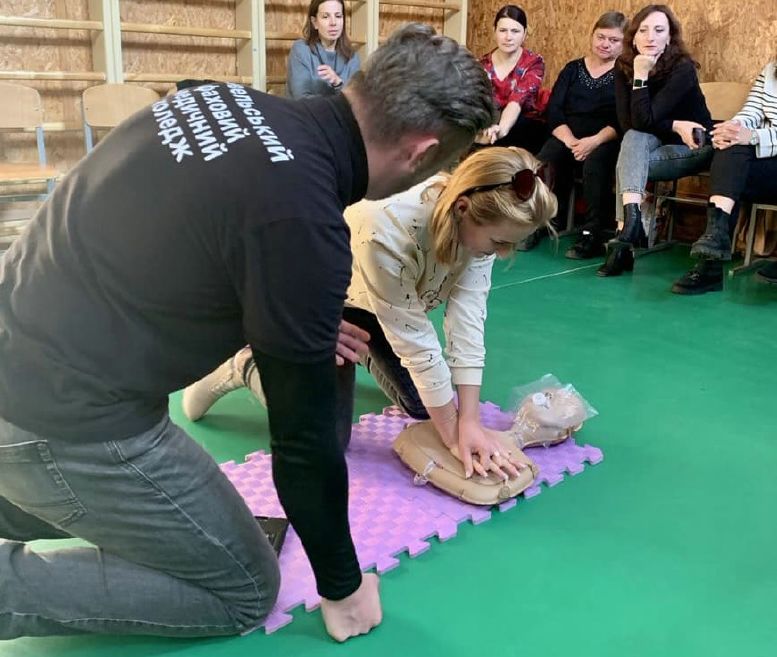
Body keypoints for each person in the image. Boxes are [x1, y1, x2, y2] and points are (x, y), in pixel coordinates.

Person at [0, 24, 495, 643]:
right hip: (59, 417)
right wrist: (343, 586)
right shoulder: (302, 221)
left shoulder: (221, 100)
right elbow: (303, 443)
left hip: (21, 345)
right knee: (244, 586)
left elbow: (177, 242)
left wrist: (292, 316)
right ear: (422, 153)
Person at [184, 147, 557, 481]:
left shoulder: (480, 225)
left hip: (376, 305)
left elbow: (467, 323)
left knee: (424, 406)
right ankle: (246, 363)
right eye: (499, 242)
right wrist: (454, 438)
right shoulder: (388, 225)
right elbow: (416, 342)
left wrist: (468, 421)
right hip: (312, 304)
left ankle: (358, 353)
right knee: (330, 439)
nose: (503, 253)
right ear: (462, 209)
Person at [598, 4, 713, 277]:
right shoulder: (623, 66)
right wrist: (674, 123)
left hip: (692, 146)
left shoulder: (682, 68)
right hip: (647, 142)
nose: (650, 37)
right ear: (633, 37)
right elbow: (629, 125)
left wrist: (641, 79)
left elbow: (643, 120)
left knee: (629, 159)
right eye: (643, 30)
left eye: (659, 30)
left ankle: (623, 240)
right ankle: (630, 225)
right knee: (633, 140)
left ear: (670, 37)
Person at [525, 10, 627, 256]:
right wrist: (571, 141)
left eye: (614, 40)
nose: (605, 44)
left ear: (624, 44)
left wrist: (593, 142)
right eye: (601, 37)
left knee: (595, 163)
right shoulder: (572, 69)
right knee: (544, 159)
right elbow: (554, 110)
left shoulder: (625, 74)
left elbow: (623, 119)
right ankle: (538, 221)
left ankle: (592, 232)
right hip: (567, 135)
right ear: (592, 36)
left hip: (604, 139)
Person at [672, 57, 777, 294]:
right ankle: (713, 251)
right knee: (730, 148)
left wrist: (754, 136)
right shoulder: (772, 70)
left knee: (739, 147)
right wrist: (732, 129)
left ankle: (712, 253)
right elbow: (751, 111)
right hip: (768, 162)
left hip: (769, 155)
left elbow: (754, 135)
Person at [476, 5, 547, 154]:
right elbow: (479, 104)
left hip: (523, 125)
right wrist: (487, 130)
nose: (508, 37)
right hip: (490, 123)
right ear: (494, 31)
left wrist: (500, 130)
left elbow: (516, 102)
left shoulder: (534, 62)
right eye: (503, 30)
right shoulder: (482, 65)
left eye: (515, 31)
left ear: (524, 34)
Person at [286, 0, 361, 99]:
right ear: (314, 22)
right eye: (326, 17)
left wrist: (338, 83)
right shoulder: (301, 50)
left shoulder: (352, 56)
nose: (333, 23)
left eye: (338, 16)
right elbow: (301, 98)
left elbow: (355, 100)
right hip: (306, 109)